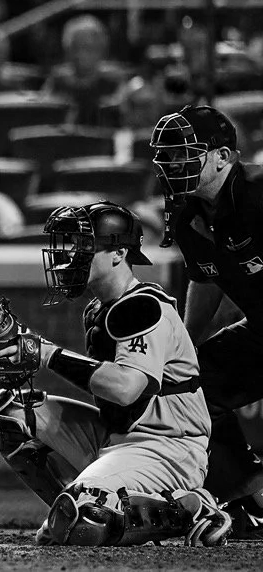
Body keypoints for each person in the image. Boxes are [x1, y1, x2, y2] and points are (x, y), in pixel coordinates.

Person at [0, 200, 231, 546]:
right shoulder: (99, 309)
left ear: (117, 254)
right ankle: (72, 505)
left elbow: (127, 389)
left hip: (167, 447)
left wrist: (47, 354)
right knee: (9, 411)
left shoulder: (142, 307)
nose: (71, 257)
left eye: (85, 247)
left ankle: (192, 507)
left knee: (86, 520)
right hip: (117, 437)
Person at [149, 104, 263, 537]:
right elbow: (206, 278)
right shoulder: (185, 213)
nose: (174, 164)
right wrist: (183, 347)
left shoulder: (259, 193)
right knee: (192, 385)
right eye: (170, 155)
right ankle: (251, 494)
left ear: (223, 157)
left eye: (186, 153)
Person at [42, 15, 126, 127]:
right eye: (75, 47)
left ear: (102, 50)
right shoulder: (57, 80)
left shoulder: (113, 81)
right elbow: (44, 116)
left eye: (88, 48)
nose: (81, 54)